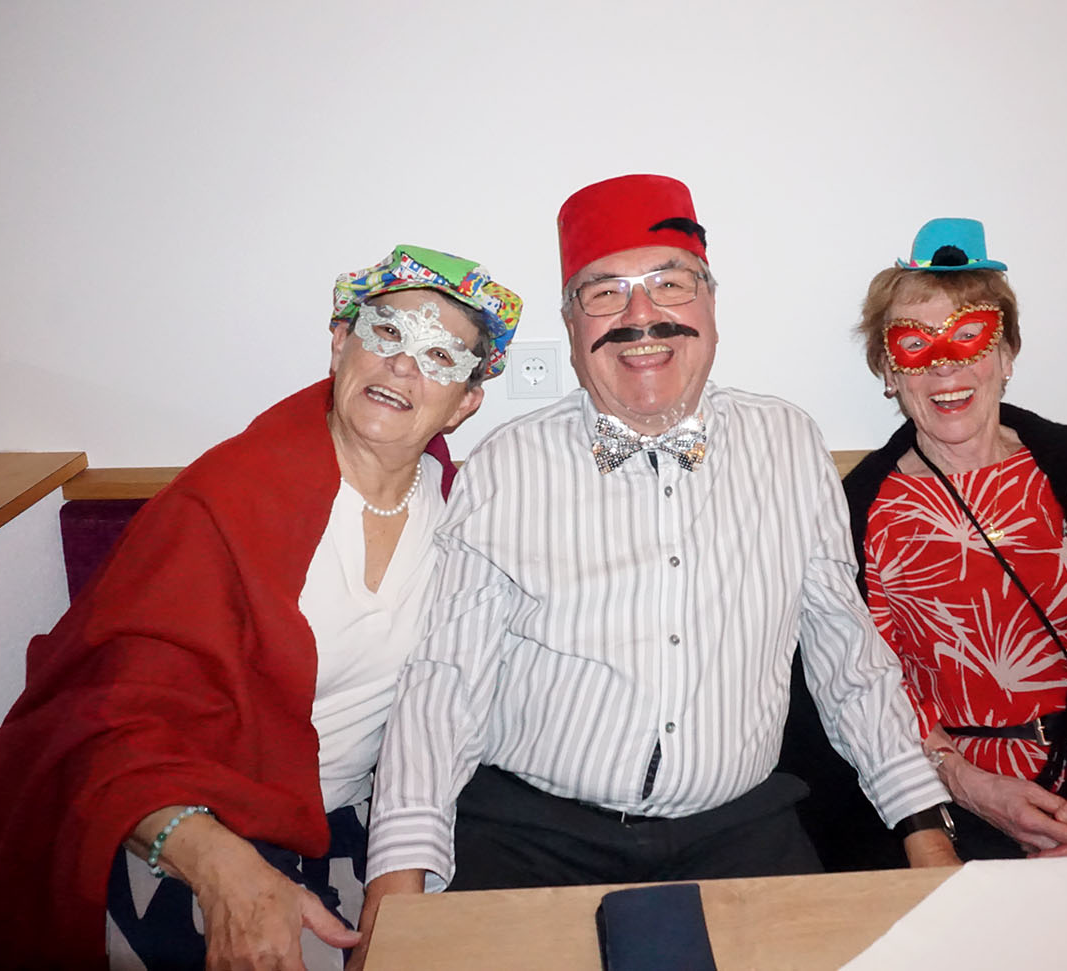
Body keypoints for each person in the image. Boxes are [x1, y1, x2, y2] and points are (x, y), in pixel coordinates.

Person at [353, 174, 958, 954]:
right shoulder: (507, 465)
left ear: (711, 303)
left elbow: (850, 658)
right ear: (571, 324)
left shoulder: (789, 444)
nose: (641, 317)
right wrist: (396, 890)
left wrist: (926, 835)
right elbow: (445, 684)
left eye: (670, 283)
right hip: (528, 833)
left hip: (741, 830)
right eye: (604, 293)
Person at [0, 244, 522, 969]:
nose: (404, 364)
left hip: (356, 820)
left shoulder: (463, 516)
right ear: (340, 344)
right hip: (187, 822)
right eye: (387, 332)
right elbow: (105, 714)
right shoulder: (224, 499)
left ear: (466, 402)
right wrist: (223, 868)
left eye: (441, 355)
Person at [834, 217, 1067, 860]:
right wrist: (965, 784)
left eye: (970, 336)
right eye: (915, 344)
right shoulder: (863, 510)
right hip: (958, 795)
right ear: (889, 373)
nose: (945, 365)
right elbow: (866, 689)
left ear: (1006, 357)